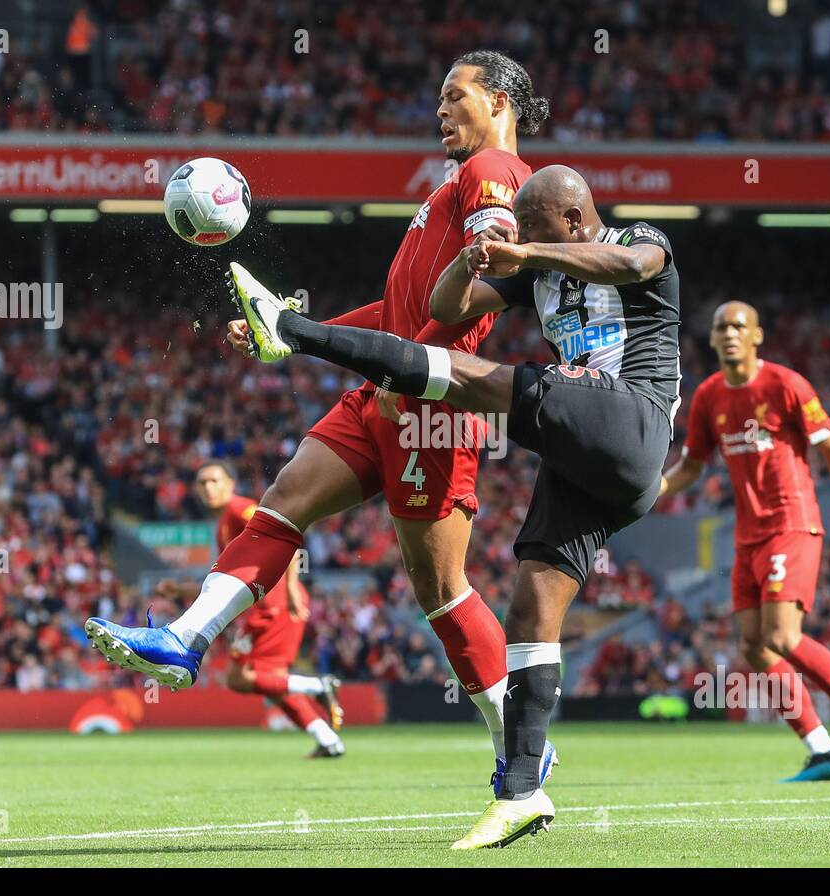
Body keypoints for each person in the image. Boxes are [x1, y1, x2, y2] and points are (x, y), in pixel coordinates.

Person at [86, 50, 556, 793]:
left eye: (453, 95)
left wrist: (426, 361)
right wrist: (294, 327)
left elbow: (494, 268)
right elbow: (397, 313)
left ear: (499, 99)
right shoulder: (451, 183)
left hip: (428, 405)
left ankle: (521, 743)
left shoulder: (492, 170)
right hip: (382, 390)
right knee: (283, 501)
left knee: (440, 588)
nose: (439, 110)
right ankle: (185, 638)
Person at [222, 164, 678, 848]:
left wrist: (527, 250)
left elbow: (629, 263)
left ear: (574, 220)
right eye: (516, 226)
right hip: (588, 460)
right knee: (530, 609)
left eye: (532, 224)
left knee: (460, 380)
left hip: (632, 420)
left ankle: (291, 328)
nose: (517, 234)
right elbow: (448, 308)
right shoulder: (533, 272)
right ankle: (523, 790)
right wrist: (470, 264)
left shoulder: (639, 237)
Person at [660, 300, 830, 781]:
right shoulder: (708, 396)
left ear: (757, 336)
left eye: (739, 327)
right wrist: (653, 491)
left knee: (782, 637)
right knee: (754, 648)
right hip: (748, 535)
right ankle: (822, 751)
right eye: (721, 328)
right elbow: (691, 465)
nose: (730, 334)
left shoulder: (786, 385)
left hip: (793, 522)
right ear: (711, 340)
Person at [178, 461, 344, 758]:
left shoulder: (240, 508)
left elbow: (281, 533)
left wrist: (292, 586)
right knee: (271, 680)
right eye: (202, 483)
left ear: (230, 484)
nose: (208, 488)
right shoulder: (223, 526)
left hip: (274, 606)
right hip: (265, 607)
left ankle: (318, 685)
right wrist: (179, 591)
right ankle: (327, 738)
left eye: (214, 481)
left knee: (239, 678)